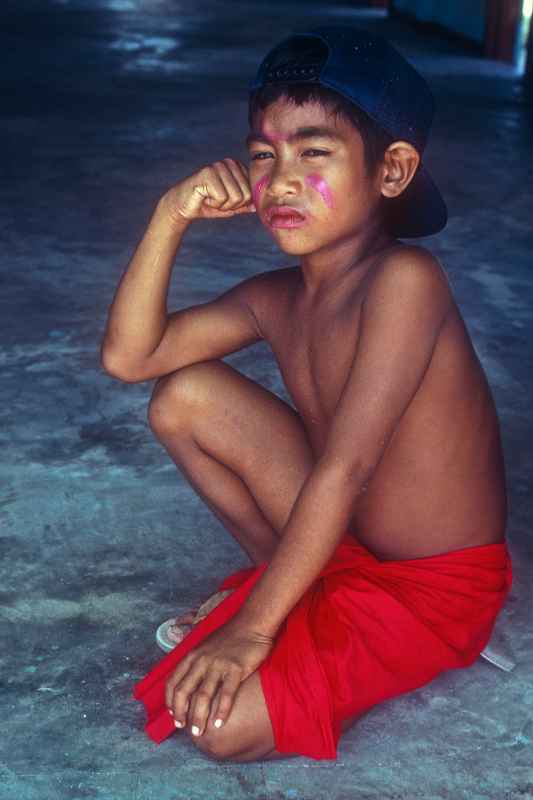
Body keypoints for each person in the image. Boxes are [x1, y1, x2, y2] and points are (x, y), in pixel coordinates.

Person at [100, 25, 511, 762]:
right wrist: (171, 214)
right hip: (344, 546)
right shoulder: (275, 296)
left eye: (313, 151)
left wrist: (251, 634)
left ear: (391, 172)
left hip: (430, 592)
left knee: (221, 731)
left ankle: (291, 614)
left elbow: (345, 470)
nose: (279, 179)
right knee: (182, 394)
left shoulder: (404, 282)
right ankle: (299, 593)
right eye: (263, 154)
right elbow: (133, 358)